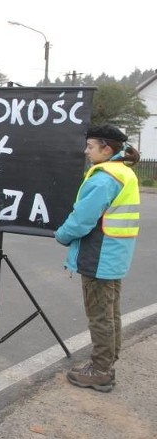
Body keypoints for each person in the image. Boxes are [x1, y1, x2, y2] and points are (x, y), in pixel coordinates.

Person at [55, 124, 140, 392]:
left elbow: (82, 219)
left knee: (100, 315)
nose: (86, 151)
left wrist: (62, 235)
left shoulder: (104, 178)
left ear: (106, 148)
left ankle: (101, 371)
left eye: (90, 146)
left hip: (99, 254)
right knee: (111, 313)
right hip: (115, 254)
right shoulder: (124, 173)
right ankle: (106, 363)